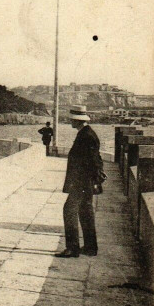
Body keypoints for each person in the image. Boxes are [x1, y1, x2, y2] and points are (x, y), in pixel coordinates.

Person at [55, 106, 104, 258]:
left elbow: (95, 160)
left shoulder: (87, 136)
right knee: (86, 212)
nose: (70, 121)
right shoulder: (86, 133)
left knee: (69, 210)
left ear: (77, 120)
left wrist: (91, 181)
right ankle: (90, 247)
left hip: (82, 182)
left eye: (71, 119)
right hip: (84, 182)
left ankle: (72, 248)